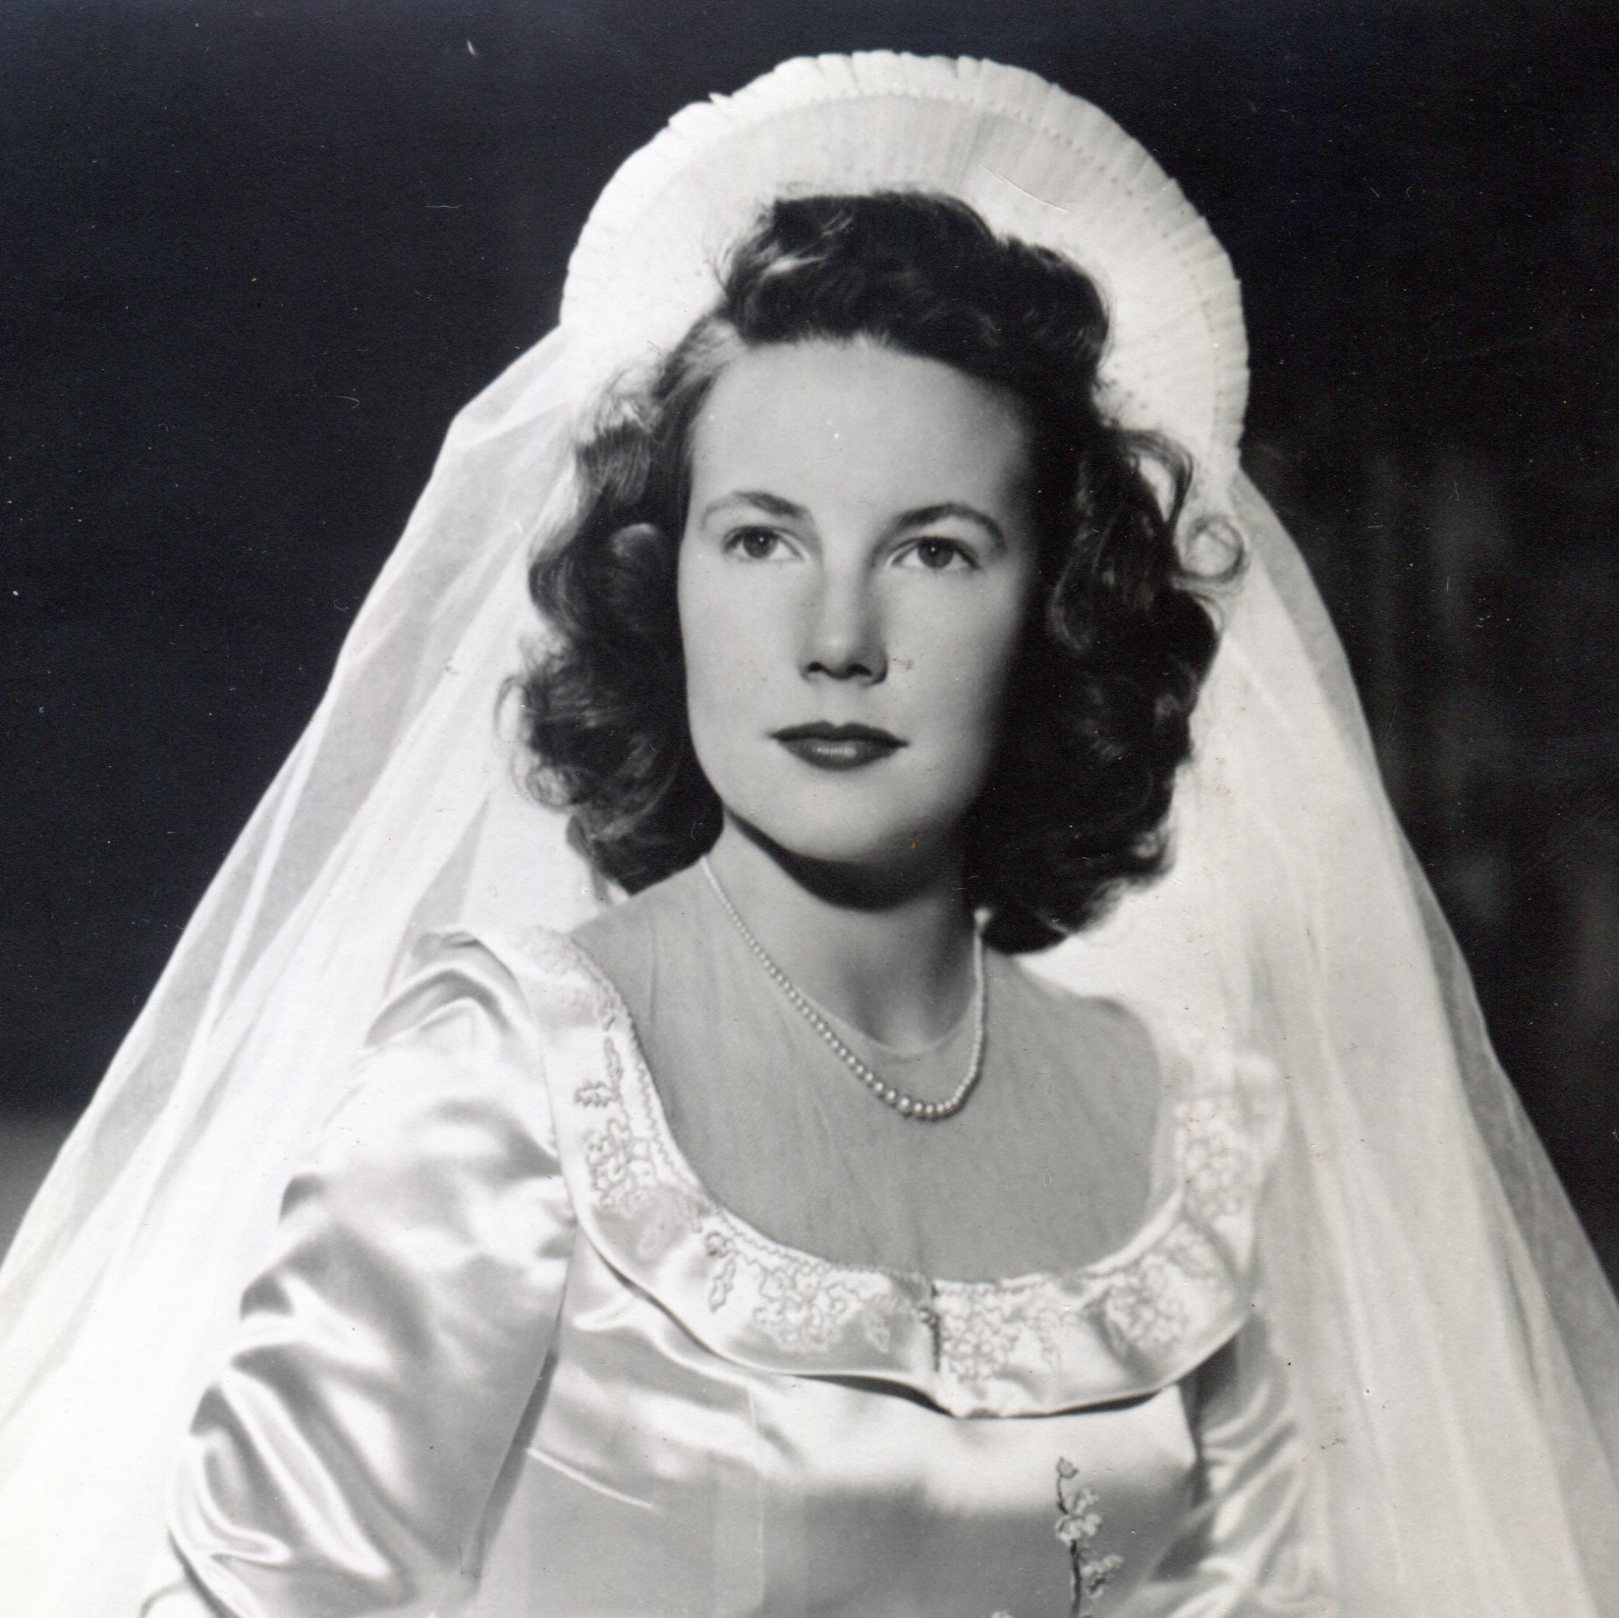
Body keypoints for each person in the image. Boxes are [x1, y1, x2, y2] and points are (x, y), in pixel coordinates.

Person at [1, 51, 1616, 1618]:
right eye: (762, 535)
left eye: (934, 550)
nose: (837, 634)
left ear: (1053, 608)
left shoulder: (1175, 1116)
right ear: (665, 580)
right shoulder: (513, 1077)